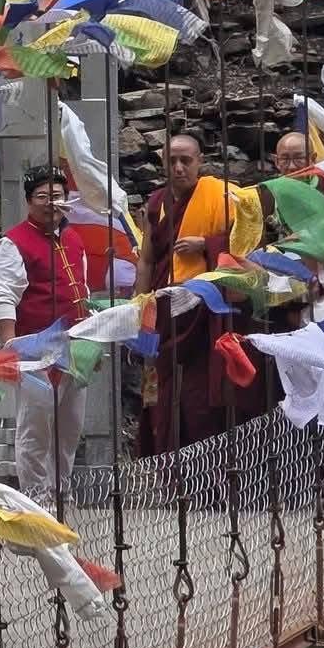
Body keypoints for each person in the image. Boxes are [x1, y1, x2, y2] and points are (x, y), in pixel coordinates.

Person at [134, 133, 244, 454]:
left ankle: (208, 468)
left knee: (201, 394)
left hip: (205, 312)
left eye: (186, 160)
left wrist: (207, 245)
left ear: (200, 162)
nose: (179, 167)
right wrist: (140, 307)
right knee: (163, 394)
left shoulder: (221, 196)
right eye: (172, 161)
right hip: (165, 313)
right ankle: (169, 467)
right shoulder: (156, 203)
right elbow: (147, 260)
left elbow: (248, 245)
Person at [0, 165, 89, 505]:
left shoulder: (74, 239)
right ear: (30, 201)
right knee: (35, 426)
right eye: (43, 197)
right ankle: (35, 496)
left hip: (75, 346)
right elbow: (4, 294)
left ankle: (61, 490)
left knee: (70, 426)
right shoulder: (13, 243)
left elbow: (84, 289)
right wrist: (10, 345)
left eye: (58, 197)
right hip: (35, 348)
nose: (51, 204)